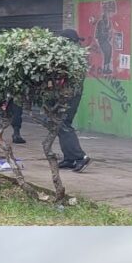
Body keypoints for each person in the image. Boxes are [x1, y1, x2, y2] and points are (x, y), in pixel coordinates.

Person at [53, 29, 90, 173]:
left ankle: (80, 157)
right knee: (60, 125)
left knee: (63, 124)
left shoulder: (73, 57)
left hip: (70, 96)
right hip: (69, 95)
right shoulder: (74, 55)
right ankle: (69, 158)